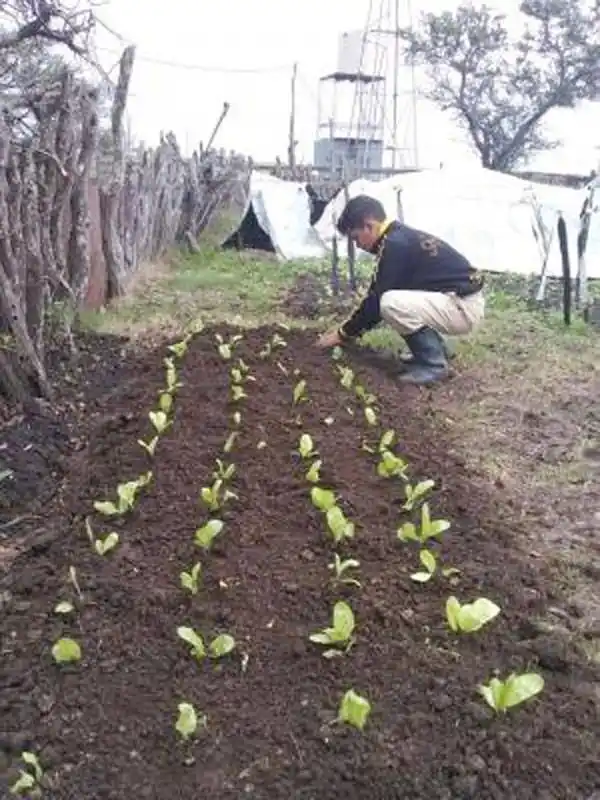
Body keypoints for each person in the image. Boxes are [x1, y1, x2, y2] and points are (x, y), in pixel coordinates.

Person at [316, 194, 485, 385]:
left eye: (356, 238)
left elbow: (375, 301)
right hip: (460, 300)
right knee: (394, 300)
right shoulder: (399, 237)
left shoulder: (395, 245)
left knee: (389, 303)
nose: (358, 245)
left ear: (369, 226)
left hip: (462, 307)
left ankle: (434, 365)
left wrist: (342, 334)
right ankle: (438, 351)